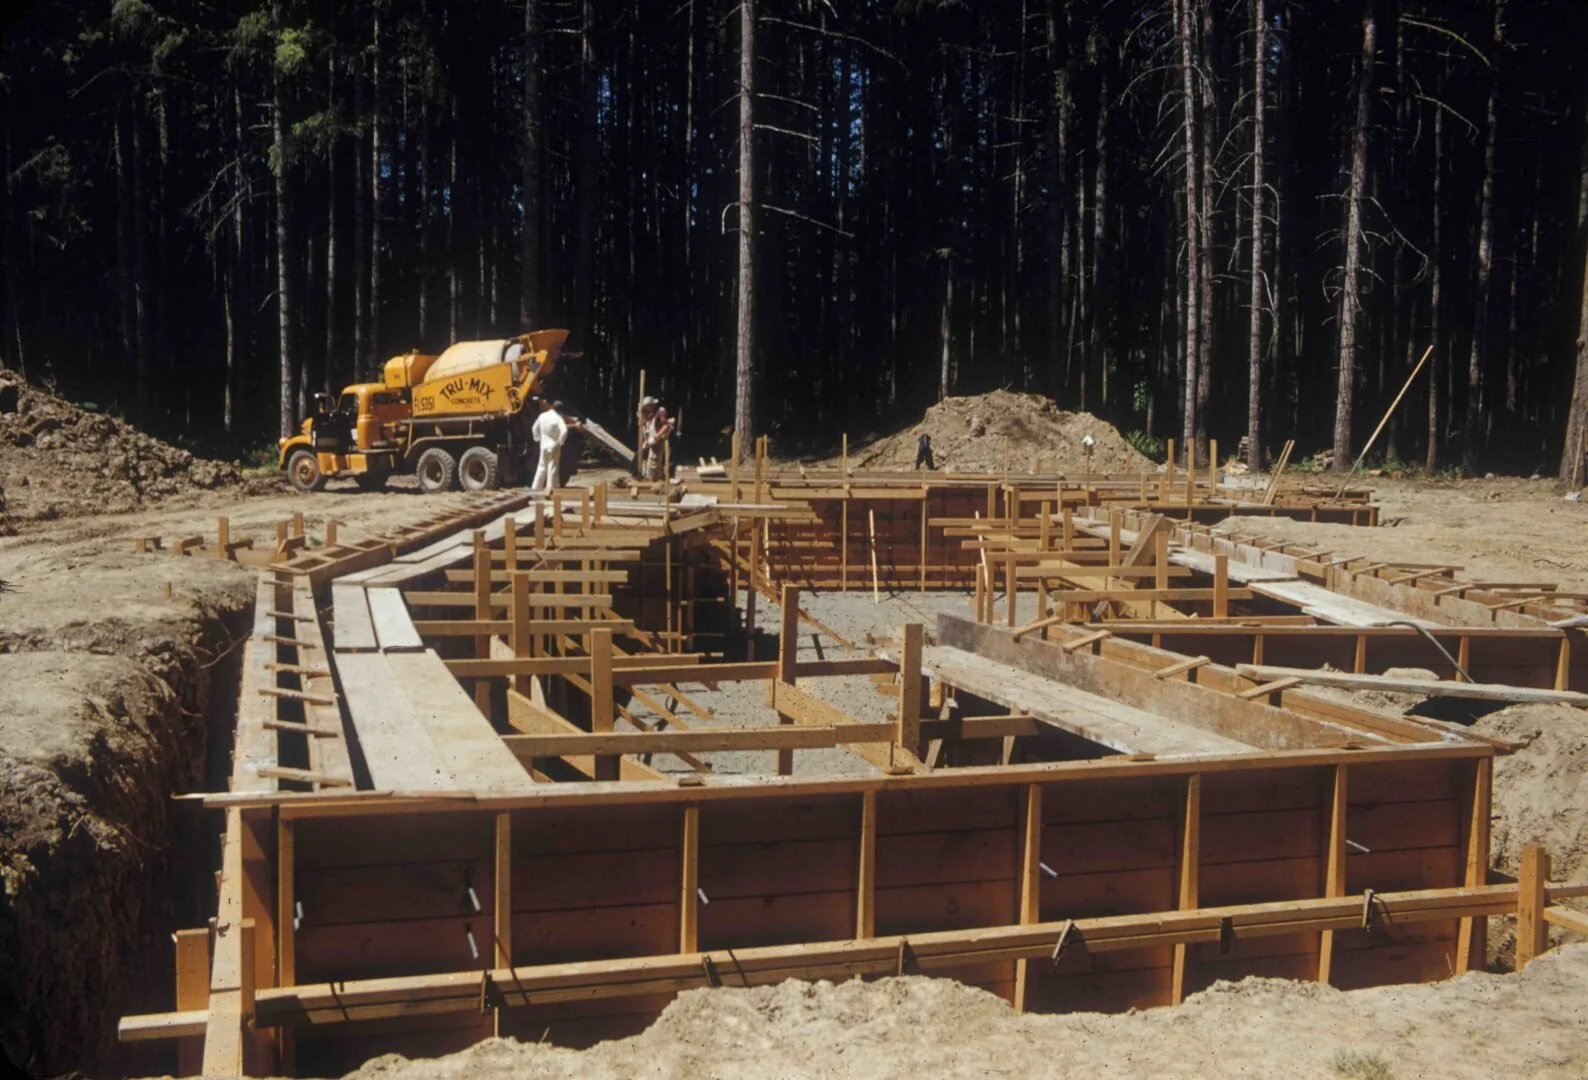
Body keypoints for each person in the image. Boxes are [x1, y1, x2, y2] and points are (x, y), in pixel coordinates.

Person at [529, 396, 568, 494]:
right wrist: (561, 441)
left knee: (542, 466)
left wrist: (537, 438)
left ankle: (535, 488)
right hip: (554, 446)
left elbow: (534, 428)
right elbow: (564, 430)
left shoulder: (542, 416)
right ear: (560, 410)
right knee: (552, 467)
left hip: (544, 446)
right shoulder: (558, 418)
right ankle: (551, 489)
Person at [637, 396, 674, 481]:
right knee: (651, 460)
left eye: (646, 407)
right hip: (652, 439)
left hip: (659, 439)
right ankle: (657, 477)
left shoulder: (661, 412)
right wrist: (640, 413)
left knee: (654, 460)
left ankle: (655, 479)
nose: (646, 409)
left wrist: (657, 436)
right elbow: (643, 422)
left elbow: (666, 425)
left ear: (651, 405)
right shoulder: (652, 413)